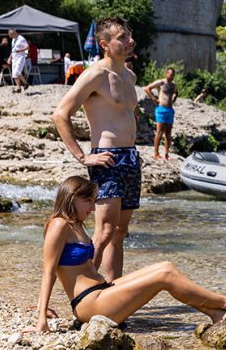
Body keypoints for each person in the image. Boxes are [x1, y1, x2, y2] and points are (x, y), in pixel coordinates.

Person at [35, 176, 226, 332]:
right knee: (165, 276)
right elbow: (48, 272)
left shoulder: (77, 224)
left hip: (101, 292)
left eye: (94, 202)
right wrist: (41, 317)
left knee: (165, 266)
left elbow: (86, 267)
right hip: (90, 305)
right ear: (73, 197)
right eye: (89, 201)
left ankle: (215, 313)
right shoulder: (58, 225)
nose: (93, 208)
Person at [52, 17, 140, 283]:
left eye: (129, 36)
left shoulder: (130, 75)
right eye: (122, 37)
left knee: (120, 231)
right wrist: (83, 157)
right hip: (107, 158)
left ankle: (114, 290)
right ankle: (84, 289)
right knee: (103, 231)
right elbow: (60, 114)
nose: (129, 41)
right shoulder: (95, 74)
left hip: (131, 157)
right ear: (104, 44)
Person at [144, 67, 179, 161]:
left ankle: (167, 154)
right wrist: (154, 99)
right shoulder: (161, 82)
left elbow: (176, 93)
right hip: (161, 109)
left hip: (170, 110)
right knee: (159, 132)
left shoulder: (173, 84)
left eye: (173, 75)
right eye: (170, 75)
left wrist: (174, 100)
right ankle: (156, 153)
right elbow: (147, 88)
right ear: (166, 73)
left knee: (168, 133)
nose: (171, 77)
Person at [8, 28, 30, 93]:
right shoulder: (13, 39)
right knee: (14, 75)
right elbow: (13, 50)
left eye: (10, 35)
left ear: (14, 33)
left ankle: (26, 83)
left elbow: (27, 47)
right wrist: (10, 57)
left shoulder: (21, 39)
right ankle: (18, 88)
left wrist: (20, 50)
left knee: (17, 72)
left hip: (20, 58)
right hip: (14, 58)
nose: (10, 36)